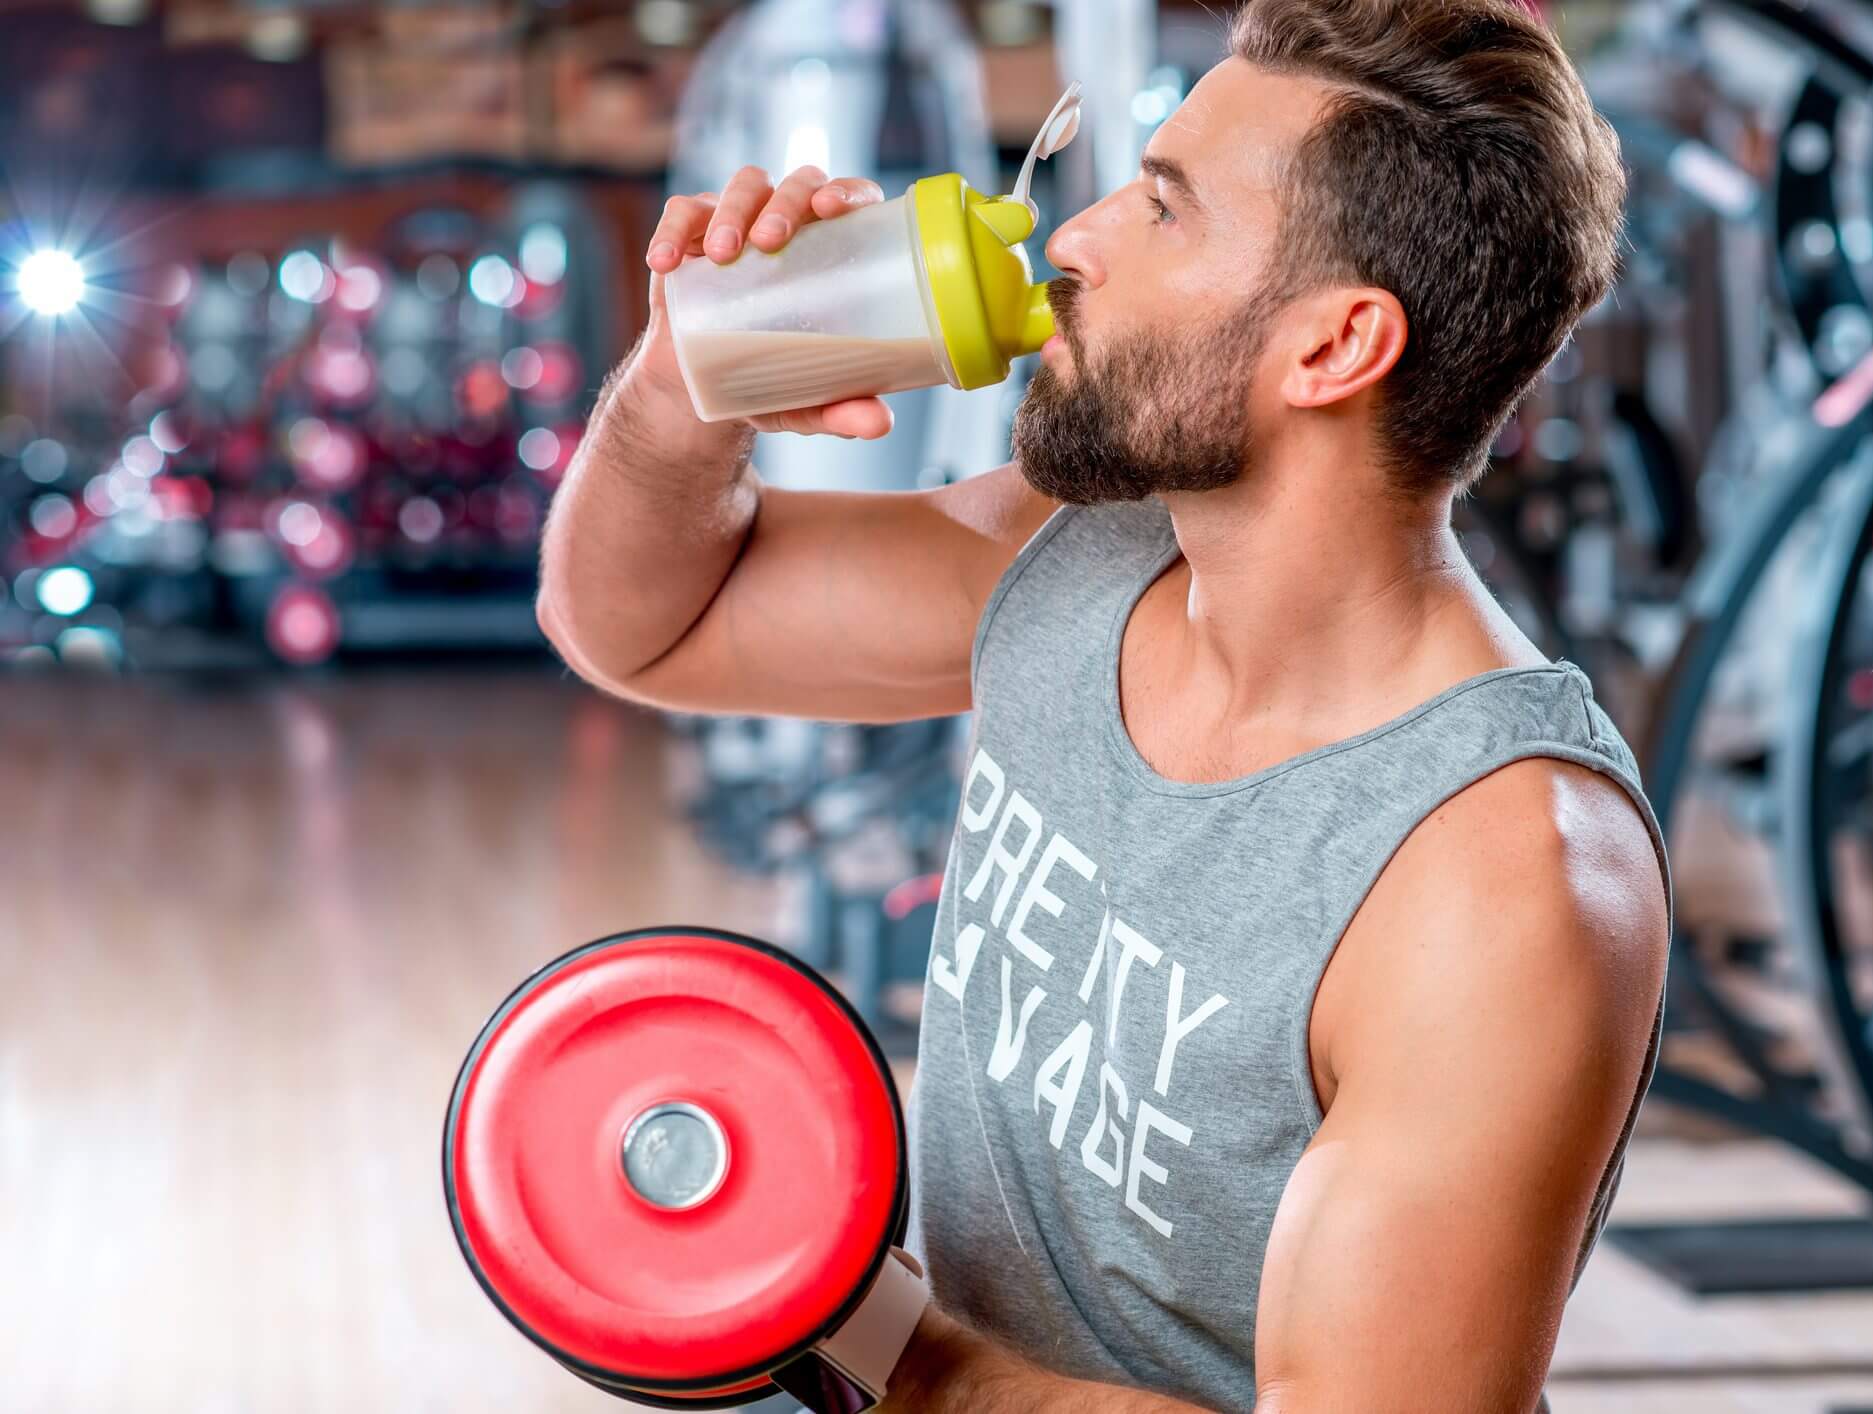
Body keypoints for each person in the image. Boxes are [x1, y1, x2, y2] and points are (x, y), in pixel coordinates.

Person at [537, 0, 1670, 1408]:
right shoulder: (1092, 547)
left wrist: (850, 1312)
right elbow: (641, 626)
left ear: (1334, 348)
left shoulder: (1499, 877)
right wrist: (690, 380)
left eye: (1161, 207)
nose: (1073, 240)